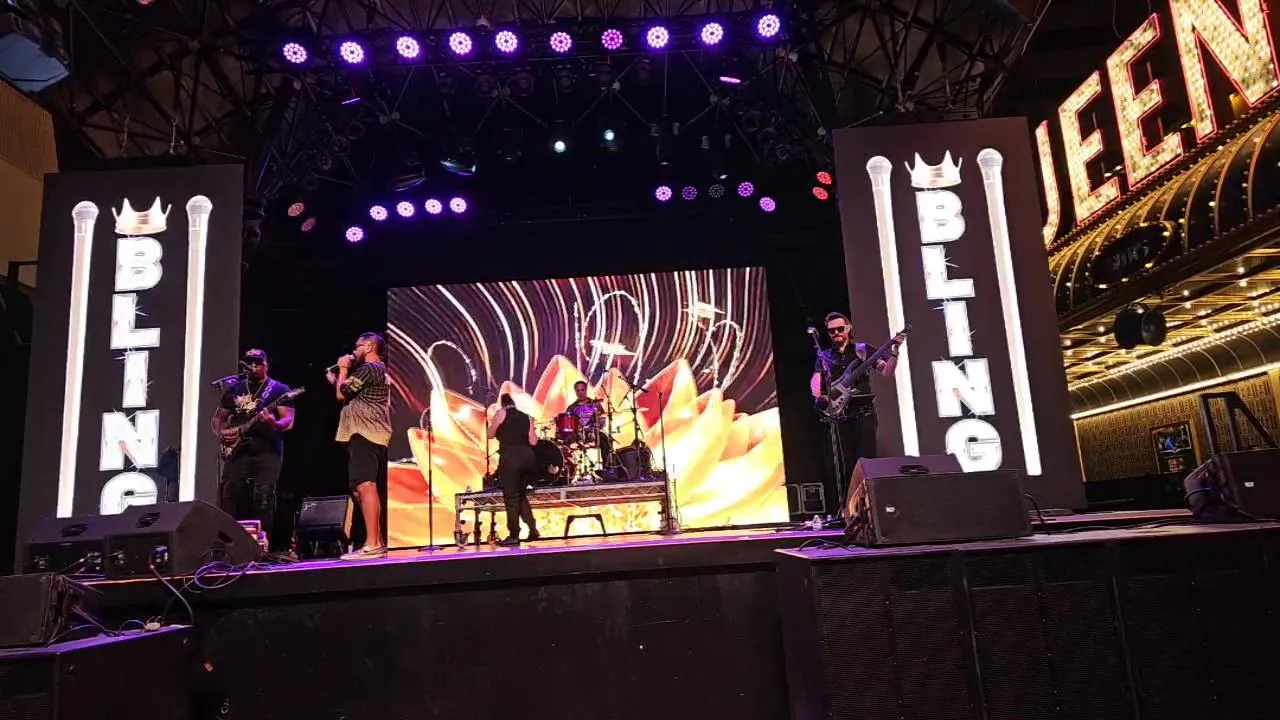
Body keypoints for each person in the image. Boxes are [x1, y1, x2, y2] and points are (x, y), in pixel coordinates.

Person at [809, 312, 905, 505]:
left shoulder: (862, 350)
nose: (836, 333)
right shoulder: (825, 356)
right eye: (832, 331)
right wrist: (818, 390)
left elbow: (887, 371)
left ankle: (870, 505)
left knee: (867, 462)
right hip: (841, 416)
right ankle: (849, 507)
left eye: (839, 329)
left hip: (864, 414)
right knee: (845, 464)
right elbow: (816, 381)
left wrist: (895, 351)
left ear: (848, 328)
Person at [211, 349, 295, 547]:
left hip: (267, 450)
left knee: (263, 495)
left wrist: (273, 422)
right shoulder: (235, 389)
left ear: (266, 365)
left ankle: (262, 545)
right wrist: (221, 433)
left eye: (258, 363)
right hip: (238, 450)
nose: (254, 367)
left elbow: (288, 421)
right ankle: (227, 543)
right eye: (250, 363)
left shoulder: (279, 389)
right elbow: (218, 418)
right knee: (230, 492)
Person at [327, 332, 392, 561]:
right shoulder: (376, 370)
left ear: (368, 347)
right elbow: (345, 393)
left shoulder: (370, 368)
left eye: (357, 347)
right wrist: (338, 380)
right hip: (364, 433)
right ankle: (377, 541)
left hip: (366, 432)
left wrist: (344, 369)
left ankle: (372, 544)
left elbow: (342, 394)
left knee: (365, 485)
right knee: (358, 488)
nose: (354, 351)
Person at [487, 393, 540, 546]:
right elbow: (533, 441)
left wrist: (495, 426)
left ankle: (514, 534)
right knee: (521, 496)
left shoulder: (501, 413)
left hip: (511, 457)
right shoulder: (527, 417)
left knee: (511, 498)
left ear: (503, 404)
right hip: (528, 457)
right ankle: (533, 530)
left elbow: (490, 434)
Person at [565, 380, 613, 465]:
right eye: (578, 390)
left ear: (586, 390)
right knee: (565, 442)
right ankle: (570, 469)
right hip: (577, 434)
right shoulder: (571, 408)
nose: (580, 392)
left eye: (582, 390)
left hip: (592, 432)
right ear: (575, 392)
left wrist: (597, 424)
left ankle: (607, 466)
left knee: (604, 438)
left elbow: (602, 419)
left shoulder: (595, 404)